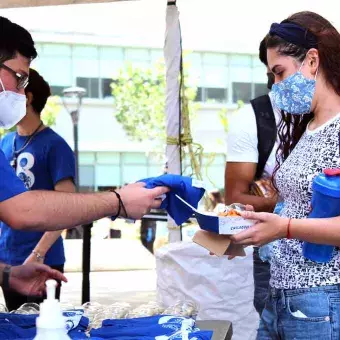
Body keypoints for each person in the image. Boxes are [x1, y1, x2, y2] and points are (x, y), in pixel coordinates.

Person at [0, 17, 167, 295]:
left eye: (25, 83)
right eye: (18, 78)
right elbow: (22, 210)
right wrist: (117, 201)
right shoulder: (8, 142)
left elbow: (54, 202)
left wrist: (8, 273)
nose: (19, 93)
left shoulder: (53, 145)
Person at [232, 11, 340, 339]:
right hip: (282, 294)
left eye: (279, 73)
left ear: (311, 60)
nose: (275, 87)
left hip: (320, 296)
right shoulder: (306, 129)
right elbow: (298, 204)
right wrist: (257, 218)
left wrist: (285, 228)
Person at [0, 68, 75, 311]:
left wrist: (38, 254)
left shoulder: (55, 146)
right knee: (13, 326)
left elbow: (66, 208)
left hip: (43, 260)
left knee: (41, 328)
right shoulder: (5, 142)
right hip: (7, 259)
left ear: (27, 96)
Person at [225, 38, 280, 315]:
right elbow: (234, 197)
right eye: (278, 71)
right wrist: (287, 202)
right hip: (272, 253)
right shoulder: (253, 117)